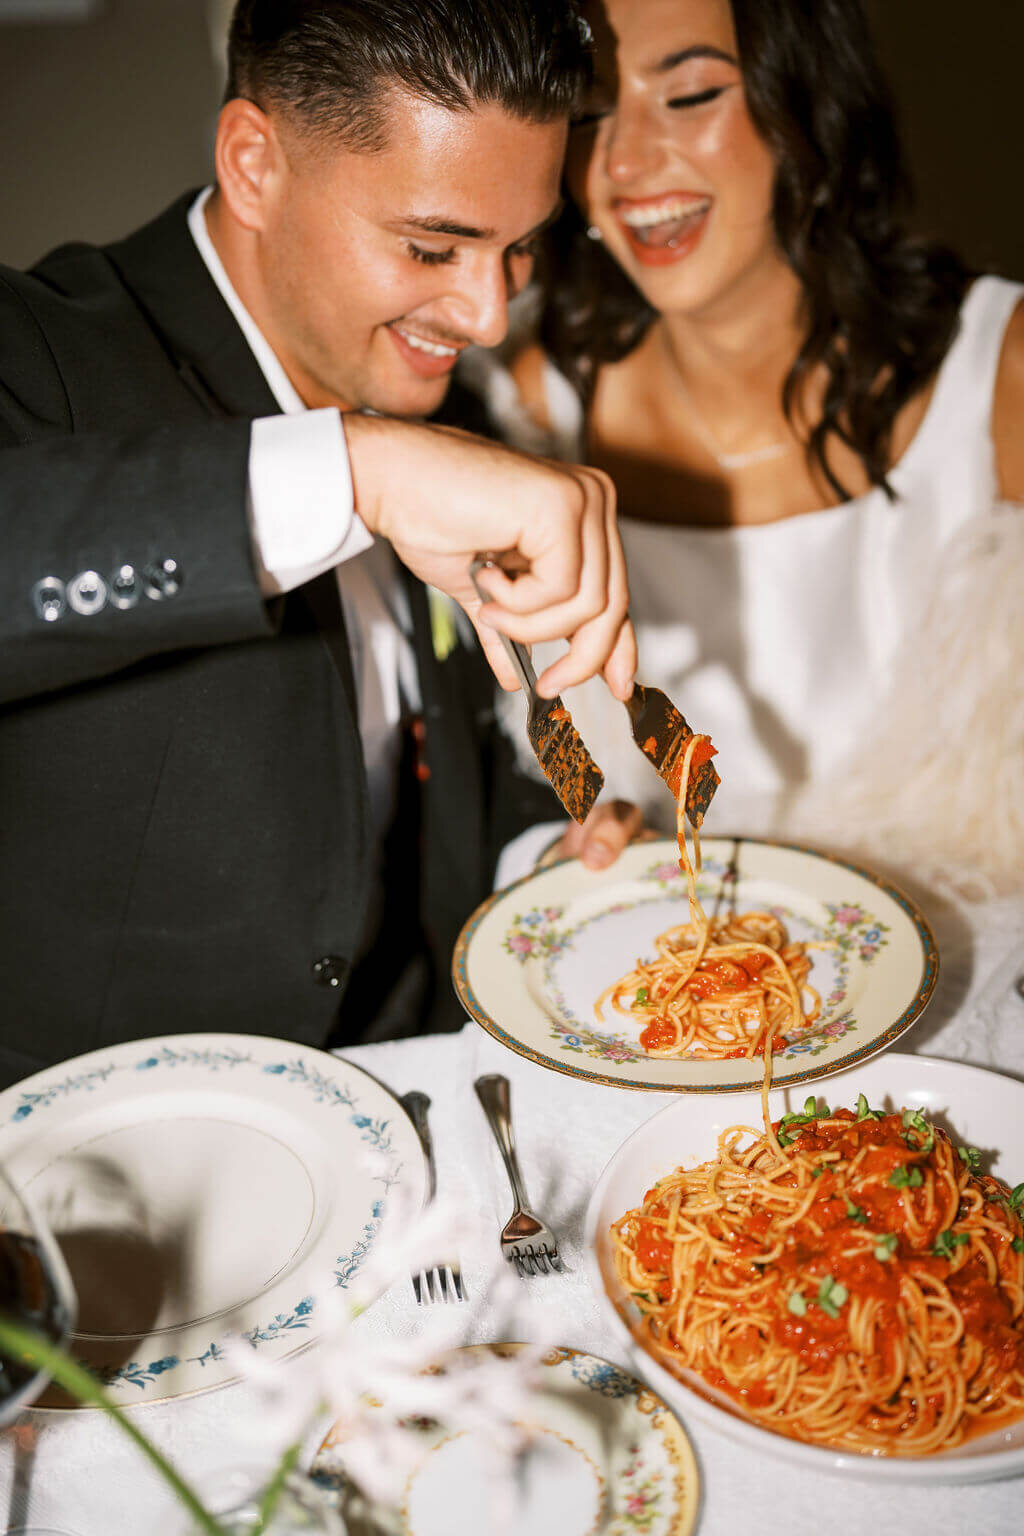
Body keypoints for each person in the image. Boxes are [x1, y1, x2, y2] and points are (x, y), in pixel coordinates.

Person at [0, 0, 644, 1089]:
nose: (488, 315)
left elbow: (394, 769)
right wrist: (357, 469)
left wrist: (539, 856)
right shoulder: (36, 349)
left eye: (521, 247)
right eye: (433, 245)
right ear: (254, 163)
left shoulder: (450, 412)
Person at [463, 0, 1024, 1048]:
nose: (626, 160)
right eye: (590, 114)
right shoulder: (520, 413)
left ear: (803, 102)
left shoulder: (1002, 377)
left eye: (689, 93)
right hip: (660, 1037)